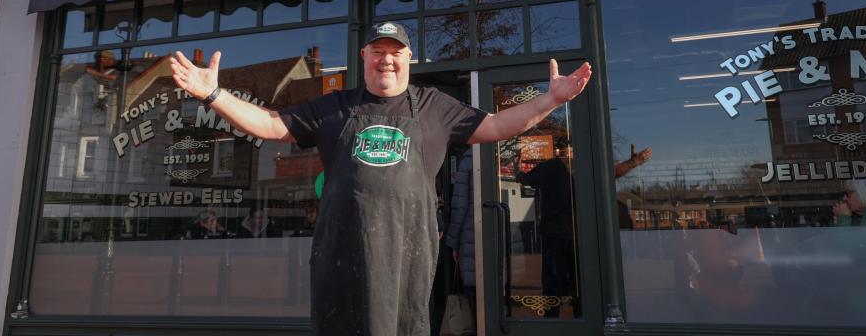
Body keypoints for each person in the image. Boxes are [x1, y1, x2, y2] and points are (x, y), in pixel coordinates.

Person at [170, 21, 591, 335]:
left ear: (408, 58)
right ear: (364, 57)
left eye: (395, 51)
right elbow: (269, 124)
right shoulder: (336, 107)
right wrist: (212, 94)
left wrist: (551, 100)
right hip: (342, 252)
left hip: (407, 254)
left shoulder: (434, 107)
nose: (386, 58)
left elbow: (499, 126)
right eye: (377, 50)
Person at [516, 140, 577, 317]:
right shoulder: (581, 167)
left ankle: (552, 318)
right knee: (576, 277)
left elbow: (526, 179)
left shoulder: (551, 167)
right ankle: (580, 313)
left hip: (554, 230)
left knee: (553, 278)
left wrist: (518, 170)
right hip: (575, 230)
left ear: (557, 151)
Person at [445, 148, 476, 315]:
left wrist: (452, 242)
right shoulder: (502, 159)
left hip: (472, 241)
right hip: (499, 243)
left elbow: (460, 206)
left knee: (473, 305)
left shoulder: (467, 162)